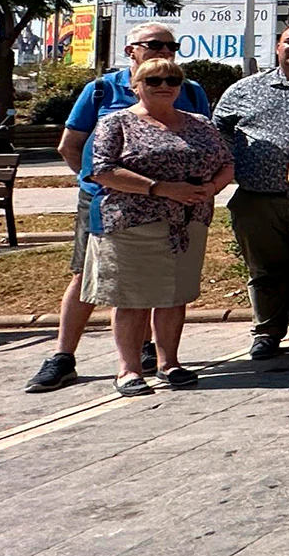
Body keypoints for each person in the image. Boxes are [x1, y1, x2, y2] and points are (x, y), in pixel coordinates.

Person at [26, 22, 211, 394]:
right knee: (88, 276)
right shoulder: (101, 90)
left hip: (175, 208)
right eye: (154, 44)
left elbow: (206, 143)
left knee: (165, 281)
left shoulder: (189, 91)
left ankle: (155, 355)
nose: (164, 52)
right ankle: (63, 356)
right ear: (131, 51)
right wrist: (96, 183)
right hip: (111, 205)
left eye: (170, 46)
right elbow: (71, 145)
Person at [83, 57, 234, 395]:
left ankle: (169, 363)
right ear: (136, 86)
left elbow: (227, 163)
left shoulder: (200, 123)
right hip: (133, 223)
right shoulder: (115, 122)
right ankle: (128, 369)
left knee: (174, 297)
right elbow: (102, 170)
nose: (164, 85)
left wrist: (211, 189)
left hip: (188, 224)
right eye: (153, 80)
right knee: (132, 299)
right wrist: (162, 189)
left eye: (172, 79)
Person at [211, 22, 289, 363]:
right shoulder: (245, 90)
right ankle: (267, 332)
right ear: (277, 47)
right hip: (257, 199)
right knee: (264, 271)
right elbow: (219, 133)